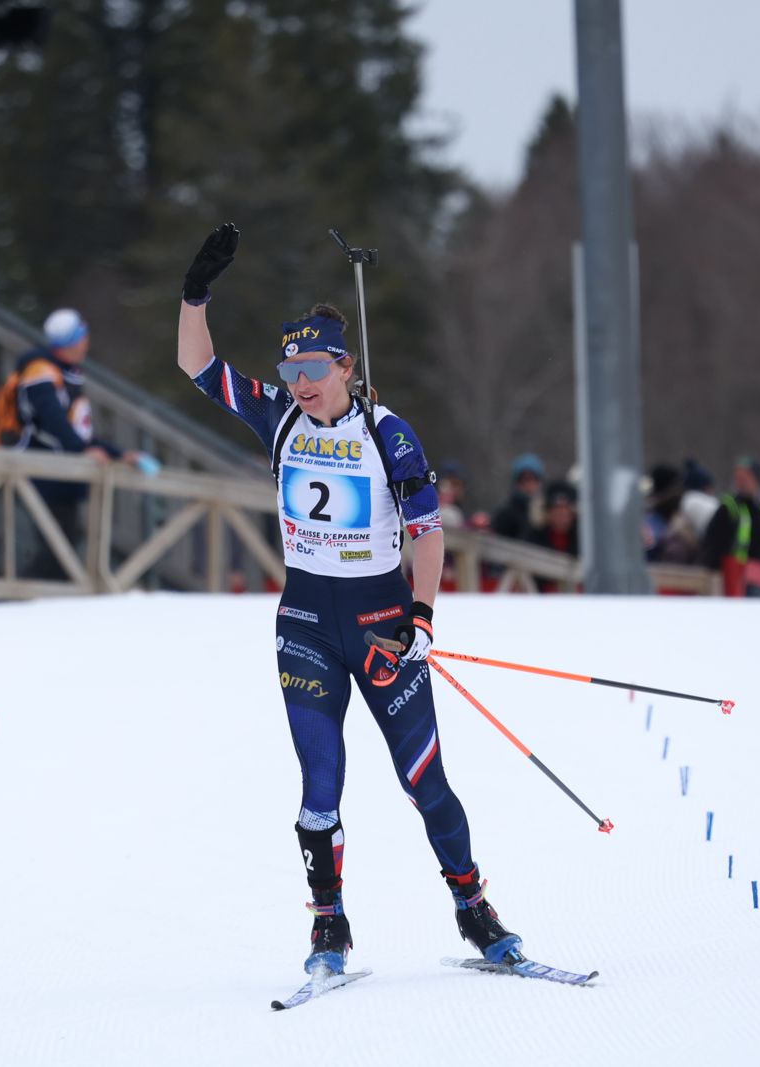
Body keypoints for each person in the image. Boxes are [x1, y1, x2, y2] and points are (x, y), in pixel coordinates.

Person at [175, 223, 521, 976]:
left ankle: (474, 908)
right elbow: (197, 366)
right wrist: (195, 293)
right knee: (320, 782)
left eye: (314, 367)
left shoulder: (388, 434)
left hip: (382, 629)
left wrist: (423, 617)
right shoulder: (279, 418)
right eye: (290, 365)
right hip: (304, 625)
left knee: (424, 778)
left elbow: (427, 534)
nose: (300, 380)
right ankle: (328, 923)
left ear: (345, 364)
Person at [3, 308, 145, 574]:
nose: (85, 342)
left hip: (58, 474)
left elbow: (78, 432)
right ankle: (16, 606)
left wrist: (118, 454)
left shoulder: (63, 371)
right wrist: (84, 451)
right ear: (73, 341)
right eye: (82, 336)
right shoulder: (41, 373)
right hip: (43, 472)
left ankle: (38, 604)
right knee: (58, 550)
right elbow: (55, 423)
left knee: (65, 544)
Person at [700, 456, 760, 571]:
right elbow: (713, 545)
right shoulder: (728, 508)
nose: (741, 481)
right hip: (735, 577)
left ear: (757, 479)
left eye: (746, 476)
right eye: (738, 477)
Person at [492, 454, 546, 542]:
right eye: (524, 480)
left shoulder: (545, 513)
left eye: (533, 480)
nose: (529, 485)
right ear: (517, 483)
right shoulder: (505, 514)